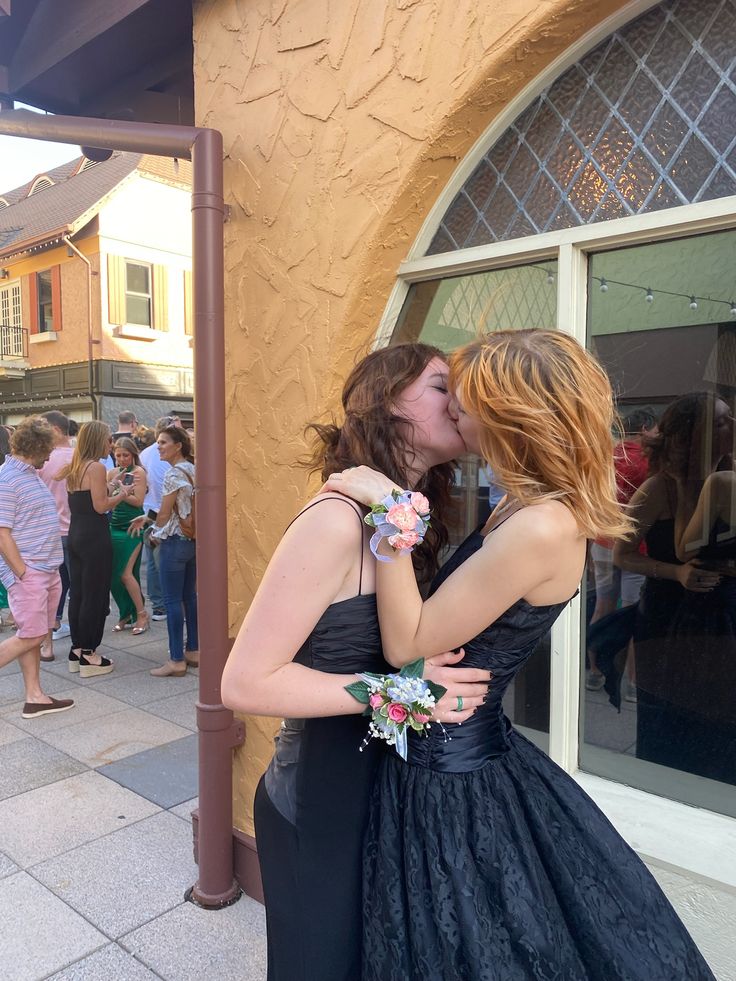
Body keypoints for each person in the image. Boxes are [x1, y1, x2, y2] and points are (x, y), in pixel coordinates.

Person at [325, 331, 715, 981]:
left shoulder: (540, 524)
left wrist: (390, 513)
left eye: (464, 399)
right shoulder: (520, 501)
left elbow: (407, 644)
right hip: (452, 750)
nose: (452, 409)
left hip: (451, 774)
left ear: (511, 414)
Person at [221, 344, 493, 981]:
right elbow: (244, 680)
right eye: (440, 385)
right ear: (386, 402)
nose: (460, 399)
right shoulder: (337, 522)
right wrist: (403, 693)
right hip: (321, 799)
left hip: (381, 791)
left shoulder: (400, 515)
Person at [615, 392, 735, 784]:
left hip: (724, 623)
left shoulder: (729, 482)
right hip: (668, 625)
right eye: (720, 422)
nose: (732, 427)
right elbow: (622, 556)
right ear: (691, 435)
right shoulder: (658, 489)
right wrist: (675, 572)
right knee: (671, 722)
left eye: (730, 418)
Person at [0, 417, 74, 718]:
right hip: (30, 571)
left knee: (35, 632)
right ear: (37, 447)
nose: (51, 455)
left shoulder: (29, 474)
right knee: (31, 635)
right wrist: (23, 573)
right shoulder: (7, 479)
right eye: (49, 449)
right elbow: (1, 532)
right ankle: (35, 695)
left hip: (45, 569)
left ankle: (35, 696)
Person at [57, 421, 138, 678]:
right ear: (97, 440)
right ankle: (90, 654)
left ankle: (77, 650)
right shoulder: (96, 467)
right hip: (94, 537)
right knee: (95, 594)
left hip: (76, 535)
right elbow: (101, 506)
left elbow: (89, 499)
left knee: (79, 593)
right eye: (108, 439)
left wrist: (114, 487)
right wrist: (123, 493)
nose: (111, 444)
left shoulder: (75, 467)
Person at [130, 426, 198, 676]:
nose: (158, 446)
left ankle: (176, 660)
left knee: (171, 601)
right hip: (192, 540)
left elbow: (166, 514)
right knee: (190, 597)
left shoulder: (172, 474)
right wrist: (148, 518)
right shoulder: (193, 469)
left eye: (163, 442)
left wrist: (154, 531)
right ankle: (193, 650)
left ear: (178, 445)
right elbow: (180, 509)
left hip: (174, 543)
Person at [39, 411, 75, 644]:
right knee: (75, 585)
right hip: (76, 530)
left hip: (49, 531)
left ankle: (51, 632)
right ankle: (78, 638)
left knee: (51, 586)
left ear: (55, 430)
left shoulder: (40, 459)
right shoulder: (81, 457)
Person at [108, 437, 148, 634]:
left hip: (133, 526)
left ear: (133, 455)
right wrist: (115, 489)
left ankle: (141, 613)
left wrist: (122, 492)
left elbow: (138, 500)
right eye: (118, 455)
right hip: (114, 525)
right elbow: (107, 501)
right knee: (114, 576)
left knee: (126, 574)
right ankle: (125, 613)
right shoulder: (112, 473)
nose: (122, 459)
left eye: (126, 455)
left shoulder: (139, 473)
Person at [138, 416, 175, 621]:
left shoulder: (145, 453)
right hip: (163, 513)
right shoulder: (168, 455)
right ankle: (166, 604)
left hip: (148, 511)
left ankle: (158, 606)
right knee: (165, 562)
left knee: (153, 563)